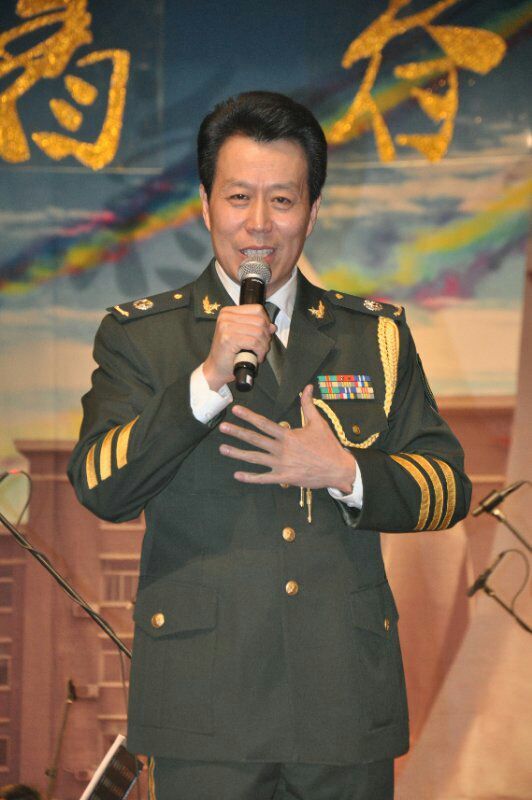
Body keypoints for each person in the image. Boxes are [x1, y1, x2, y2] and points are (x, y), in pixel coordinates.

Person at [68, 91, 471, 800]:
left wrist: (345, 471)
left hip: (343, 700)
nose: (259, 223)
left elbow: (447, 488)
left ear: (312, 213)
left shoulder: (373, 336)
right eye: (239, 197)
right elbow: (102, 485)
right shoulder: (141, 337)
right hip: (204, 706)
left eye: (282, 200)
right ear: (205, 205)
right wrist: (205, 382)